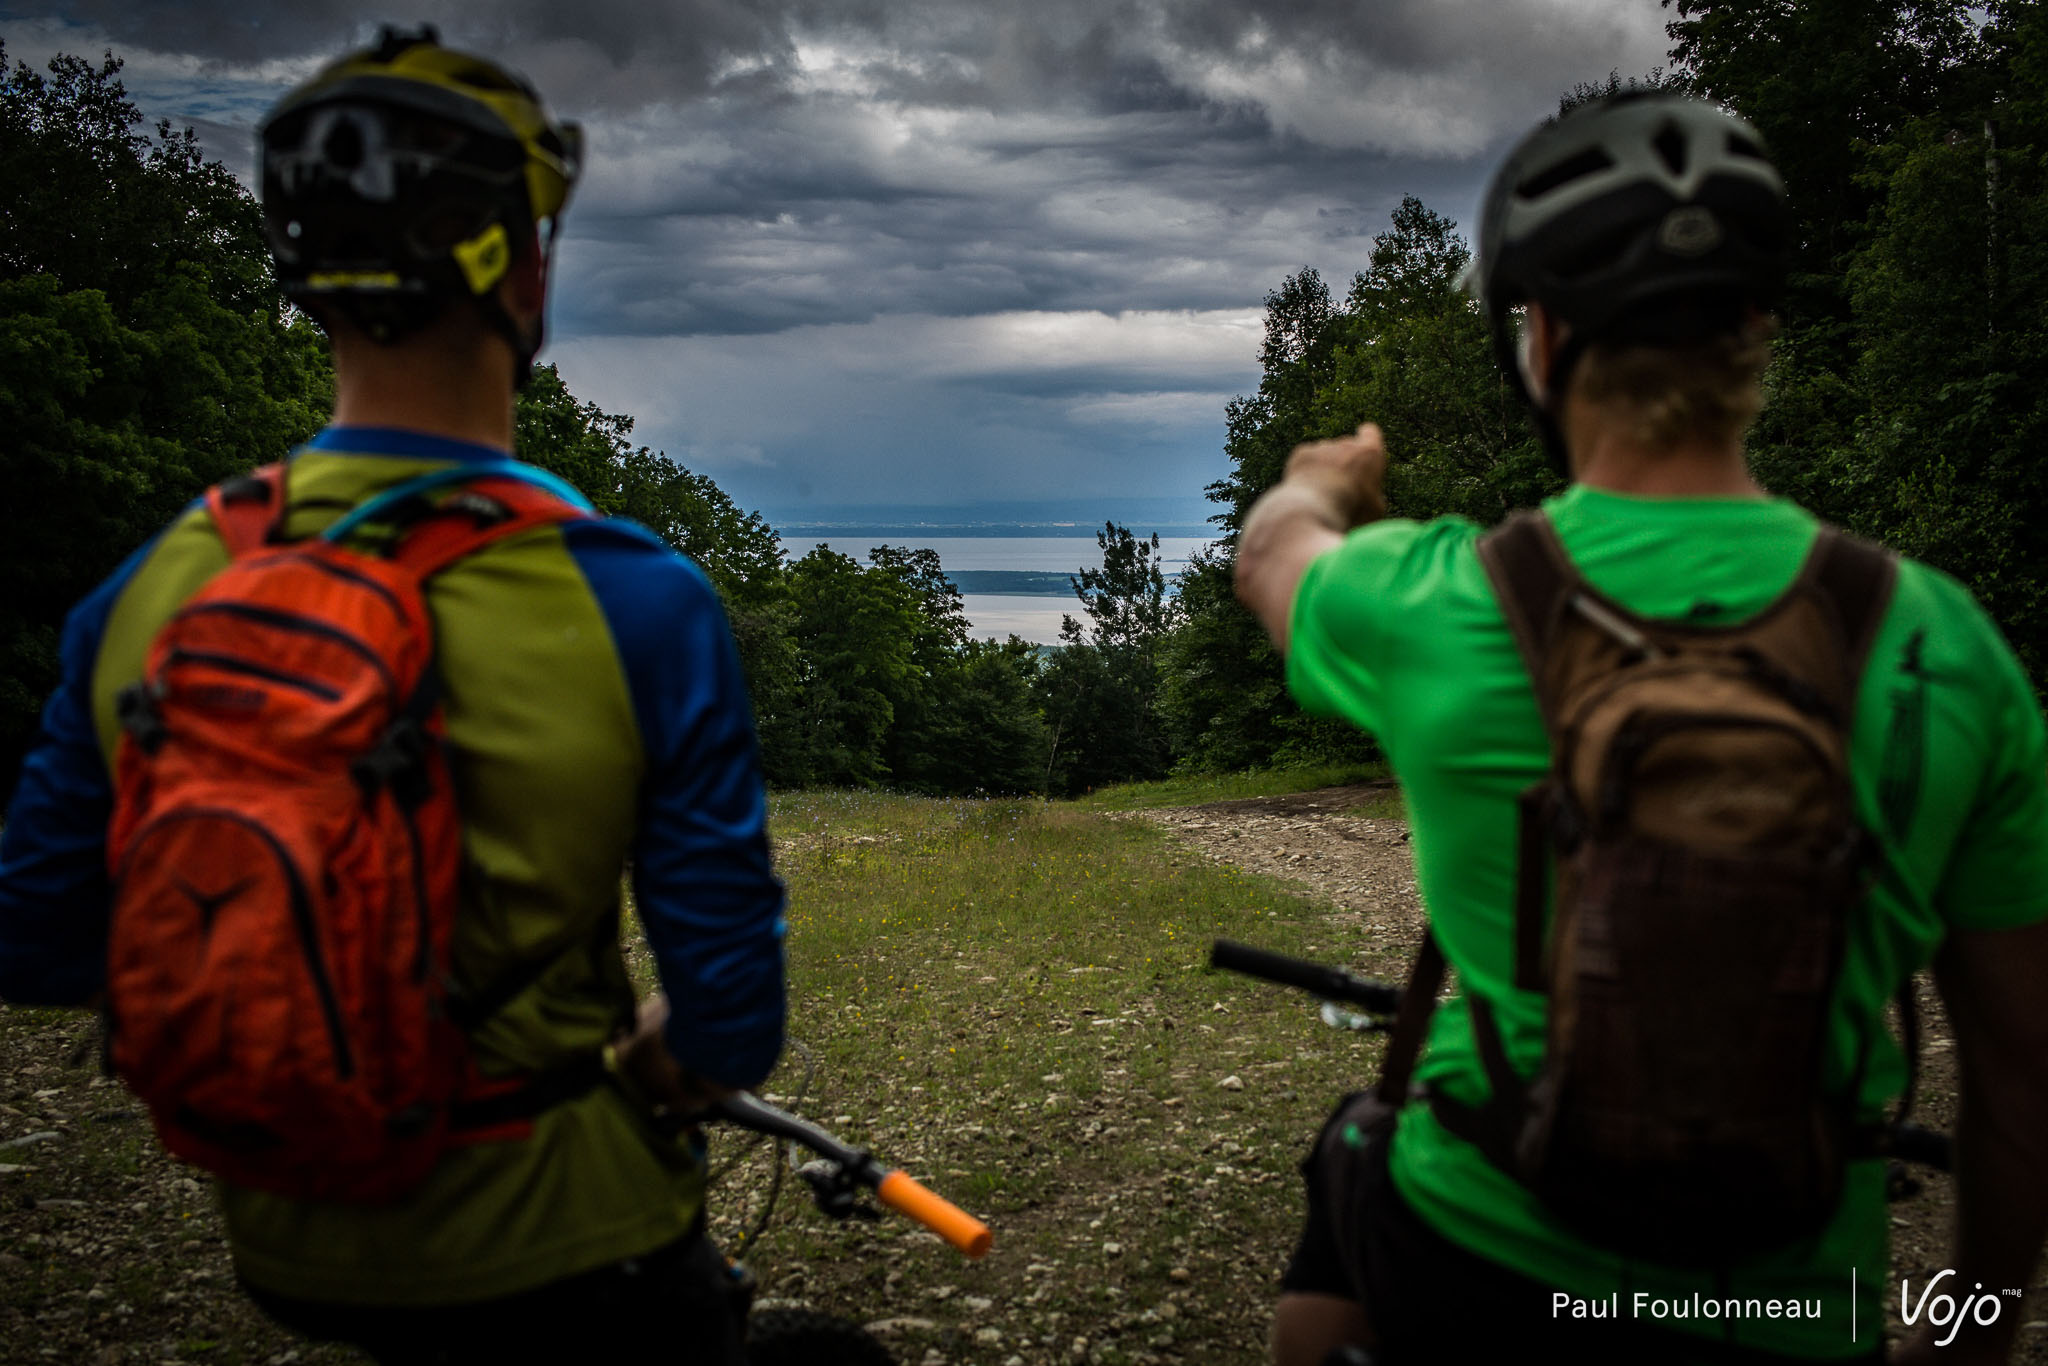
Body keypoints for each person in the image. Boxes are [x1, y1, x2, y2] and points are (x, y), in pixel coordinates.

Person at [0, 28, 783, 1364]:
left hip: (289, 1237)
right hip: (573, 1244)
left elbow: (34, 934)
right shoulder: (639, 600)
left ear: (307, 274)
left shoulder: (155, 584)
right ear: (526, 273)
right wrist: (658, 1063)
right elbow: (732, 1018)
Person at [1235, 93, 2048, 1366]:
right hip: (1787, 1306)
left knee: (1353, 1157)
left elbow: (1270, 556)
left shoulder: (1437, 600)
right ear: (1756, 335)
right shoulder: (1948, 646)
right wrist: (1966, 1338)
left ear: (1541, 341)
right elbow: (2020, 1079)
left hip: (1479, 1262)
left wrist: (1324, 479)